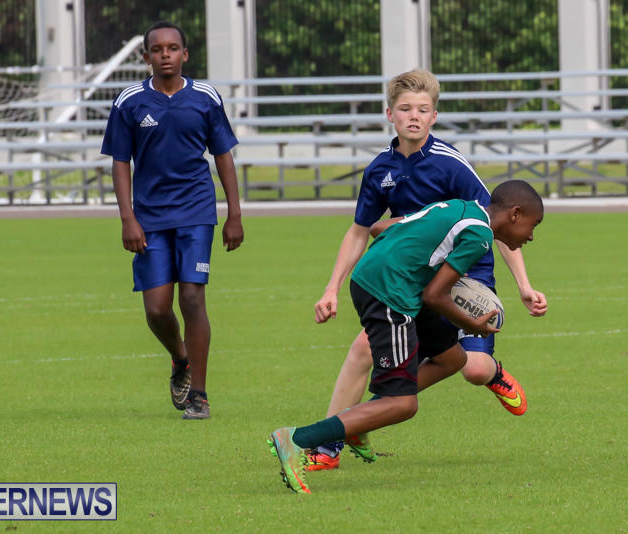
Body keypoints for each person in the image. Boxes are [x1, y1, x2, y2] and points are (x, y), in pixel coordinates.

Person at [308, 69, 547, 469]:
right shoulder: (380, 170)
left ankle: (493, 374)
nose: (414, 116)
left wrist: (524, 285)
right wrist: (332, 288)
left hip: (462, 273)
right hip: (411, 277)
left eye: (422, 109)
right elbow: (360, 231)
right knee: (362, 348)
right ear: (390, 114)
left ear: (434, 116)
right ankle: (330, 444)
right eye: (405, 109)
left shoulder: (451, 165)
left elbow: (501, 222)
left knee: (473, 369)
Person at [269, 180, 545, 494]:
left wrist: (411, 255)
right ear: (515, 214)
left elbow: (380, 228)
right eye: (533, 225)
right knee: (402, 405)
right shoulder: (480, 236)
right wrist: (474, 325)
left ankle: (359, 422)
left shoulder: (460, 207)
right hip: (390, 293)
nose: (531, 236)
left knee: (452, 358)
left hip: (387, 281)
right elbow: (434, 296)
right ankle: (296, 439)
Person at [100, 20, 243, 420]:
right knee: (158, 310)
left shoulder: (205, 97)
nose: (166, 55)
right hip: (149, 217)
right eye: (158, 49)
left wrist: (234, 213)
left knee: (193, 298)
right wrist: (127, 218)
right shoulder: (129, 101)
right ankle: (181, 358)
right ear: (146, 56)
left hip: (196, 211)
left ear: (185, 54)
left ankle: (199, 395)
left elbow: (223, 156)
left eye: (173, 48)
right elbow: (120, 161)